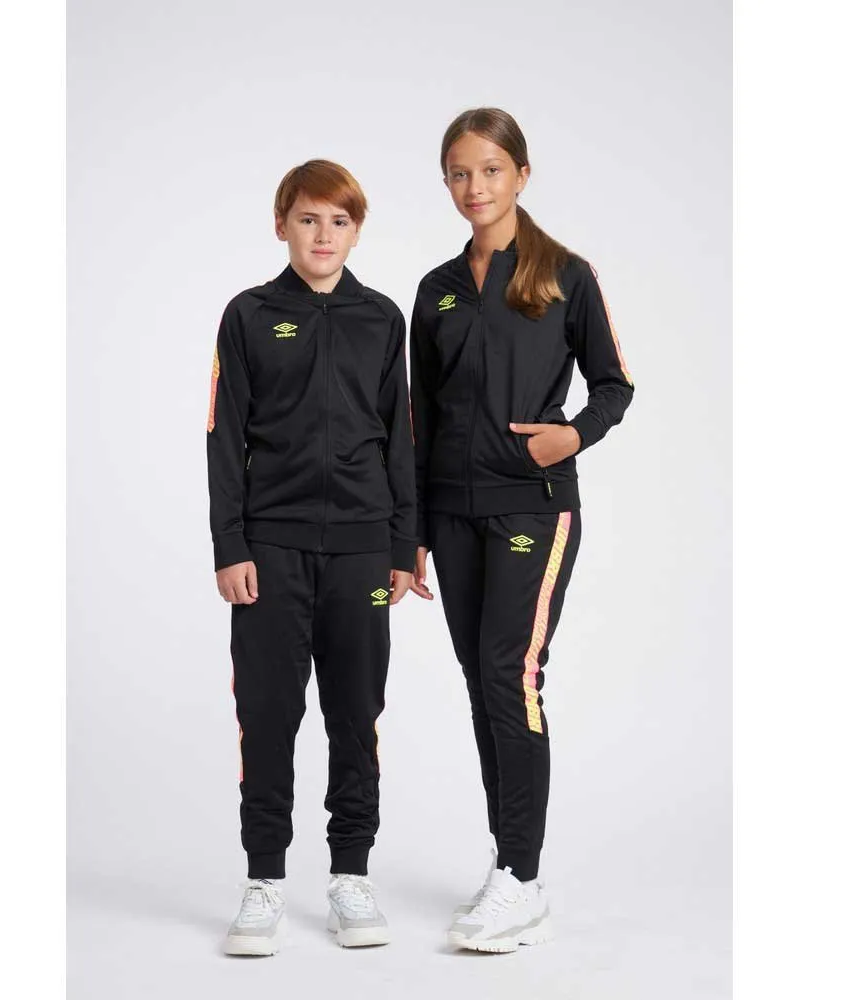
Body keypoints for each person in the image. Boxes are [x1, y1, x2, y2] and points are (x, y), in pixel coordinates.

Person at [408, 108, 634, 953]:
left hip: (533, 506)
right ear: (447, 182)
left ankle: (524, 879)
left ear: (522, 175)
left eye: (491, 170)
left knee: (512, 675)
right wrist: (413, 529)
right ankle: (510, 864)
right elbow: (419, 415)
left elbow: (614, 384)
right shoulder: (435, 288)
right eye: (460, 173)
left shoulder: (565, 274)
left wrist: (571, 435)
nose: (476, 187)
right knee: (482, 681)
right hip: (451, 511)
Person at [207, 160, 416, 956]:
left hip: (363, 549)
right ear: (281, 224)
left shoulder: (381, 318)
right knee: (267, 713)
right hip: (271, 548)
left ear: (356, 231)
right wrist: (231, 544)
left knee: (355, 714)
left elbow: (400, 434)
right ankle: (263, 881)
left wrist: (402, 545)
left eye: (339, 221)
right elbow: (225, 436)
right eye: (308, 219)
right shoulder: (250, 315)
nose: (323, 235)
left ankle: (350, 875)